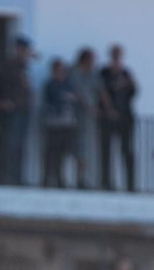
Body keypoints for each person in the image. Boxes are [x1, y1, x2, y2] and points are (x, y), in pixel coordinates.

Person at [0, 36, 35, 185]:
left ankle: (17, 177)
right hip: (10, 110)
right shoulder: (7, 66)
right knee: (8, 144)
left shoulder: (24, 67)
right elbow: (0, 86)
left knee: (19, 145)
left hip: (23, 109)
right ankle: (4, 177)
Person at [98, 44, 137, 191]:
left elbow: (134, 91)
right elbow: (101, 91)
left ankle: (130, 184)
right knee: (106, 151)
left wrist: (127, 83)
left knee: (127, 151)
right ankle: (106, 182)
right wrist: (108, 109)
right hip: (108, 118)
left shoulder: (126, 73)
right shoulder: (104, 72)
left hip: (125, 118)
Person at [40, 58, 79, 188]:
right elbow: (55, 97)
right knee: (51, 152)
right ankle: (46, 178)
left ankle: (59, 179)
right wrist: (65, 96)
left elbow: (74, 97)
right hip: (53, 123)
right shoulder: (50, 84)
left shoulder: (68, 84)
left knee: (62, 153)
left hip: (66, 123)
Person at [69, 48, 102, 190]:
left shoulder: (93, 74)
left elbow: (100, 90)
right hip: (74, 116)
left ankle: (82, 179)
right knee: (75, 148)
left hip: (88, 120)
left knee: (85, 148)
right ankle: (71, 178)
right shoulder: (74, 73)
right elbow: (78, 93)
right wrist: (89, 107)